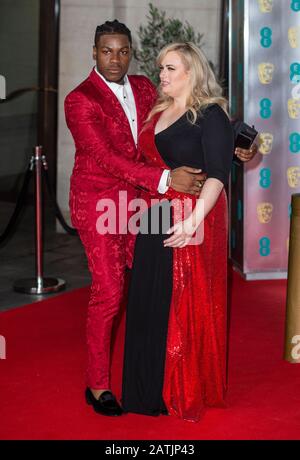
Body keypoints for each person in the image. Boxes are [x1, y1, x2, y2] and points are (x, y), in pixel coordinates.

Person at [65, 20, 256, 418]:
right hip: (104, 205)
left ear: (131, 52)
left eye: (122, 51)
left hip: (148, 203)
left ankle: (159, 376)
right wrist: (168, 178)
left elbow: (196, 113)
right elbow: (106, 158)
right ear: (94, 52)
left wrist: (239, 142)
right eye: (106, 51)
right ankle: (98, 385)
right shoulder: (79, 99)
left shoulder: (144, 88)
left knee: (157, 291)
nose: (115, 58)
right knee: (110, 291)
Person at [122, 42, 236, 422]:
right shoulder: (160, 110)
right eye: (161, 69)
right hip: (154, 211)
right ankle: (144, 391)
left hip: (188, 215)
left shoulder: (210, 114)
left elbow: (219, 173)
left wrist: (192, 222)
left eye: (171, 69)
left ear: (191, 72)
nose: (163, 76)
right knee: (148, 297)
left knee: (180, 301)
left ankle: (174, 388)